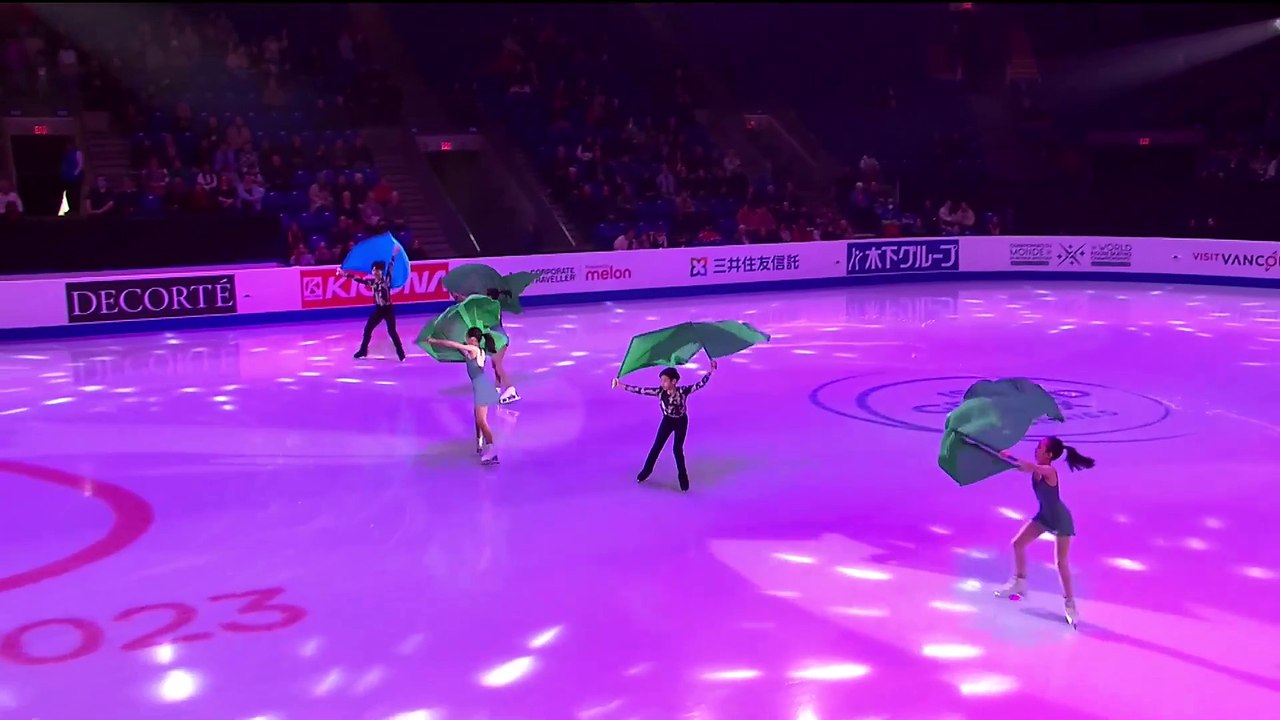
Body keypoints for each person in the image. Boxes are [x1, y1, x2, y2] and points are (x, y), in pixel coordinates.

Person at [993, 436, 1096, 628]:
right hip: (1044, 516)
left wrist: (1012, 457)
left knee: (1061, 563)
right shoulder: (1036, 469)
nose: (1036, 449)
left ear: (1048, 455)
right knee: (1018, 544)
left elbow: (1030, 467)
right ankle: (1019, 583)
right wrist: (1001, 459)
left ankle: (1070, 604)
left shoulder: (1049, 470)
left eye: (1040, 447)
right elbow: (1021, 467)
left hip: (1060, 519)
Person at [612, 360, 717, 492]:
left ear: (674, 381)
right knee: (656, 447)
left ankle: (684, 482)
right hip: (667, 421)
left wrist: (710, 370)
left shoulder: (683, 391)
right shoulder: (660, 392)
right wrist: (620, 385)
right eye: (661, 380)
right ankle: (645, 473)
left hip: (681, 422)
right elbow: (640, 390)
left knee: (677, 450)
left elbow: (700, 384)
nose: (662, 383)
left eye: (665, 381)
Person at [426, 328, 501, 464]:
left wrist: (435, 341)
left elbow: (453, 345)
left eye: (467, 337)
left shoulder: (473, 350)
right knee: (478, 418)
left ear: (472, 339)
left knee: (482, 421)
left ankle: (492, 451)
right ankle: (479, 442)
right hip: (481, 386)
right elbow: (461, 350)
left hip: (481, 388)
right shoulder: (476, 350)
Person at [342, 246, 406, 361]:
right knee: (368, 329)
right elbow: (359, 279)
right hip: (378, 310)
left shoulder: (386, 281)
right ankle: (363, 351)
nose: (374, 272)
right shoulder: (372, 283)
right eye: (373, 270)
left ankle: (401, 353)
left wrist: (394, 254)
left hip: (388, 309)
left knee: (392, 331)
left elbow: (390, 267)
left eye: (377, 270)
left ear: (381, 271)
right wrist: (345, 274)